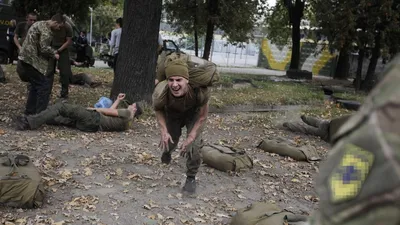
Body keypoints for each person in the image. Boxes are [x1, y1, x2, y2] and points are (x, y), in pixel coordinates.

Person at [307, 55, 400, 225]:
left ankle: (298, 121)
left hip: (331, 130)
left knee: (308, 126)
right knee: (311, 123)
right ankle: (300, 120)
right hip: (331, 128)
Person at [153, 60, 210, 194]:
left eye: (179, 80)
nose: (174, 84)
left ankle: (191, 177)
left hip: (193, 114)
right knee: (171, 140)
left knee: (194, 146)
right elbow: (158, 109)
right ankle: (167, 153)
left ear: (187, 80)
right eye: (171, 80)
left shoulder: (201, 91)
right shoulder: (160, 92)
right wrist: (164, 130)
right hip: (172, 113)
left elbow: (202, 116)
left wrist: (191, 137)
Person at [14, 93, 142, 132]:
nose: (130, 105)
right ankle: (40, 117)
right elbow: (112, 112)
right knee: (60, 119)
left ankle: (29, 122)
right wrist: (118, 100)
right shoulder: (127, 123)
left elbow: (107, 111)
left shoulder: (127, 113)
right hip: (91, 126)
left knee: (61, 107)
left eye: (132, 105)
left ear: (134, 110)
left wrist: (94, 109)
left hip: (93, 118)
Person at [16, 14, 65, 115]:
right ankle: (40, 115)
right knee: (44, 85)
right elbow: (44, 48)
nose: (59, 29)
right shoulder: (46, 30)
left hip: (25, 58)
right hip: (31, 60)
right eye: (59, 26)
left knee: (35, 85)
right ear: (55, 22)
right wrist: (54, 53)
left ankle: (29, 112)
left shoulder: (40, 23)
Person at [283, 115, 351, 143]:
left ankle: (306, 118)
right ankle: (289, 124)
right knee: (307, 129)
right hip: (326, 133)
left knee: (319, 122)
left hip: (329, 123)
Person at [51, 16, 73, 100]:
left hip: (63, 49)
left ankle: (64, 94)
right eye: (59, 25)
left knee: (64, 72)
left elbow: (68, 41)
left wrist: (59, 50)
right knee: (49, 71)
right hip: (51, 48)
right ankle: (47, 92)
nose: (59, 27)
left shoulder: (68, 27)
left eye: (62, 25)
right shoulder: (50, 26)